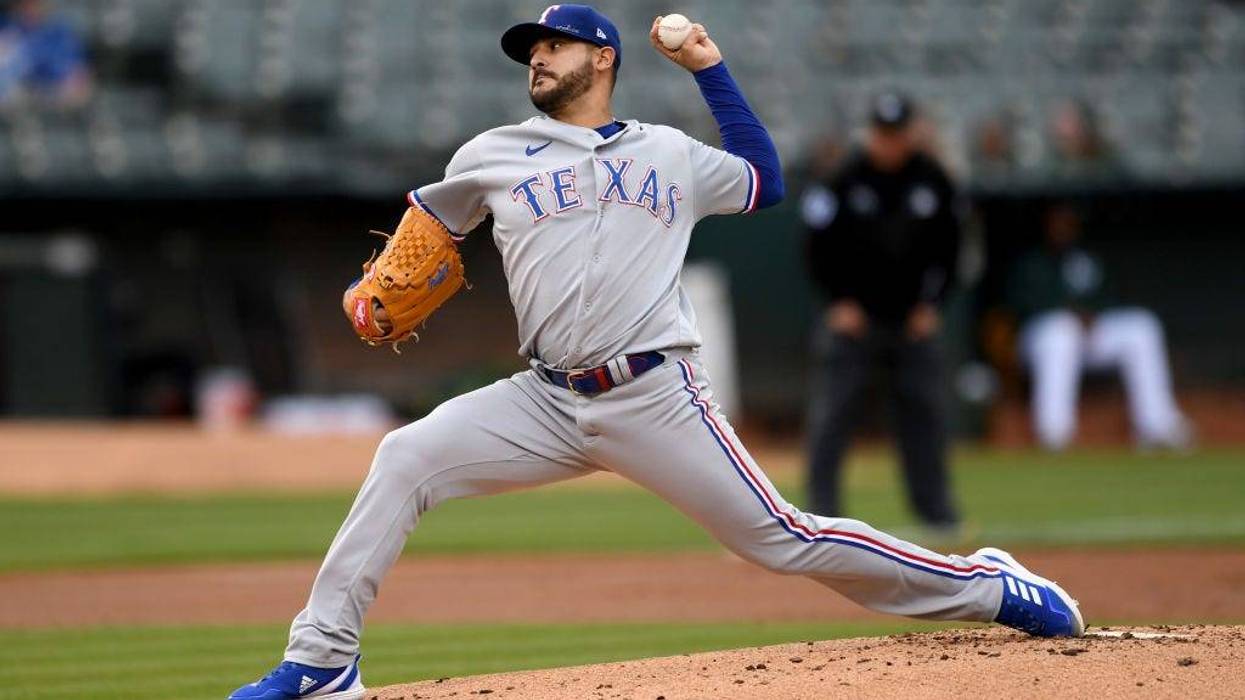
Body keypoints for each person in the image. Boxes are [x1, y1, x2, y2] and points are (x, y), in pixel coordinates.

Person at [229, 8, 1083, 699]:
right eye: (529, 49)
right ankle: (323, 660)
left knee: (781, 538)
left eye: (553, 45)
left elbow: (763, 181)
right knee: (404, 456)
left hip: (654, 394)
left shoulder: (667, 153)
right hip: (544, 399)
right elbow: (431, 225)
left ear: (601, 59)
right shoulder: (489, 154)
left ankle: (985, 585)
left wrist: (708, 69)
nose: (536, 58)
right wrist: (376, 287)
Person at [801, 94, 963, 533]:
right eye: (882, 134)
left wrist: (933, 305)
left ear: (911, 132)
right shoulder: (841, 180)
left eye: (897, 134)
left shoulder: (933, 181)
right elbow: (814, 249)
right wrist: (837, 302)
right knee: (834, 413)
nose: (889, 143)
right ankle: (822, 512)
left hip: (912, 321)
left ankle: (935, 512)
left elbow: (952, 251)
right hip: (853, 320)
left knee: (923, 415)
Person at [1007, 202, 1191, 451]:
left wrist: (1092, 315)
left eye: (1068, 223)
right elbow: (1021, 305)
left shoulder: (1087, 261)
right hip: (1041, 340)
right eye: (1057, 223)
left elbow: (1109, 297)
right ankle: (1054, 433)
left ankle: (1156, 425)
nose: (1062, 229)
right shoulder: (1031, 262)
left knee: (1142, 326)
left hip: (1087, 337)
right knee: (1061, 331)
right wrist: (1069, 312)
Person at [0, 0, 91, 108]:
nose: (30, 8)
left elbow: (78, 80)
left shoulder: (60, 34)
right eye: (26, 4)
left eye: (35, 4)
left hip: (49, 101)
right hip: (10, 98)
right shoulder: (5, 26)